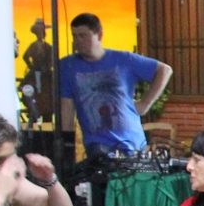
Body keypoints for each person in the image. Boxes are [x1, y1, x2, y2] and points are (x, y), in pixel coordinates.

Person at [57, 12, 174, 158]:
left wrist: (145, 104)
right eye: (74, 36)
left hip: (132, 143)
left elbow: (164, 70)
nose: (78, 41)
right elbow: (67, 107)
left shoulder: (124, 60)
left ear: (99, 35)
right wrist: (67, 147)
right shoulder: (67, 66)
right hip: (97, 145)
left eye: (83, 36)